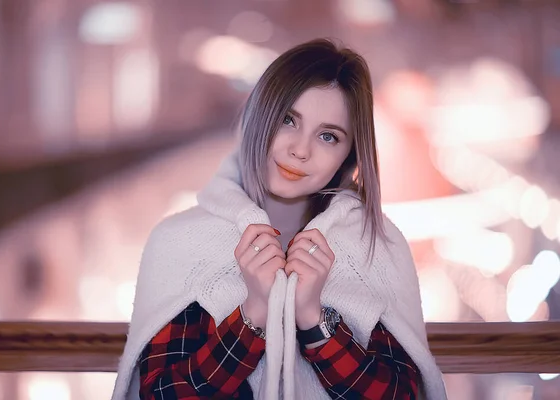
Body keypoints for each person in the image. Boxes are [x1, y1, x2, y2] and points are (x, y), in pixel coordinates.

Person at [112, 39, 447, 400]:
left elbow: (403, 396)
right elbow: (159, 395)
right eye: (288, 119)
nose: (300, 150)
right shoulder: (177, 241)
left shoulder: (377, 246)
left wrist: (314, 320)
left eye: (328, 136)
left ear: (349, 155)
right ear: (259, 114)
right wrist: (253, 313)